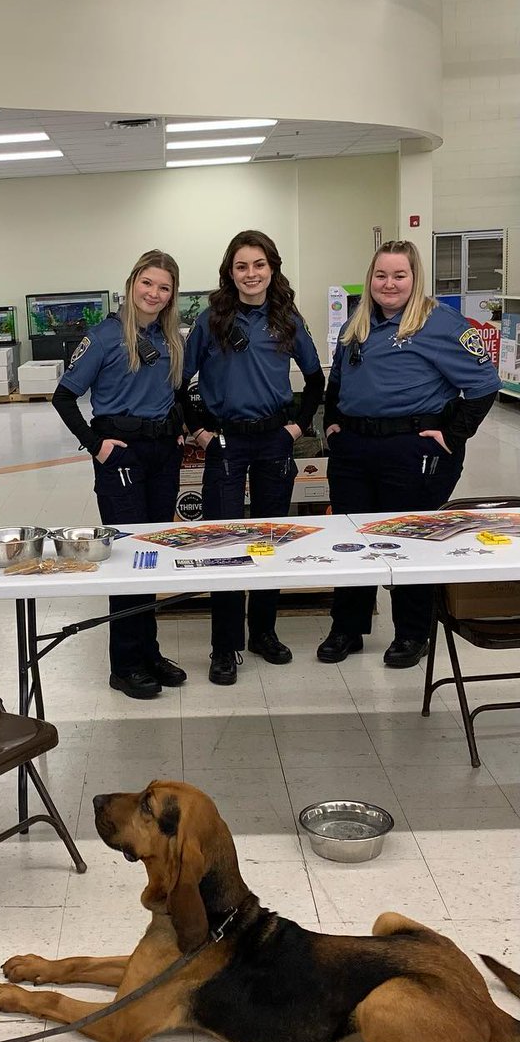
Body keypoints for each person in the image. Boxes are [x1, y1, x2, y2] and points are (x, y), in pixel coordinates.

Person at [318, 239, 501, 668]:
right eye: (381, 275)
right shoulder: (356, 324)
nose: (389, 283)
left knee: (408, 541)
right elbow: (337, 380)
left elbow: (484, 384)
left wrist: (453, 436)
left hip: (413, 450)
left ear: (415, 278)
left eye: (399, 275)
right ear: (370, 278)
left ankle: (413, 633)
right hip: (355, 450)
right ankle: (347, 628)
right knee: (351, 540)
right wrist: (332, 423)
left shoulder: (441, 324)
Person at [179, 230, 324, 686]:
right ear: (230, 271)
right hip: (225, 442)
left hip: (274, 442)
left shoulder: (287, 318)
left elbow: (316, 380)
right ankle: (225, 646)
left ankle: (263, 632)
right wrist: (200, 433)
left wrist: (296, 428)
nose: (251, 274)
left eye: (259, 265)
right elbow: (179, 382)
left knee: (269, 539)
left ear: (272, 268)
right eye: (241, 266)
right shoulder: (211, 320)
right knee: (224, 543)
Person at [52, 249, 187, 699]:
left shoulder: (170, 339)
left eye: (164, 287)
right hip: (121, 457)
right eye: (147, 283)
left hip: (162, 456)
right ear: (131, 284)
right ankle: (125, 664)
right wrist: (96, 445)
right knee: (129, 559)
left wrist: (178, 430)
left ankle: (149, 651)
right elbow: (63, 397)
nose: (154, 293)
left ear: (172, 295)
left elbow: (173, 393)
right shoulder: (104, 337)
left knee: (152, 556)